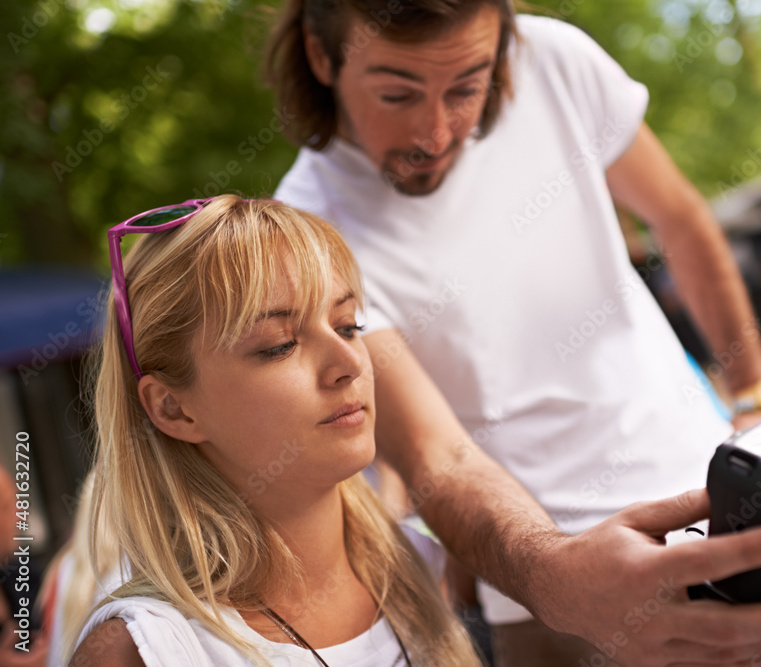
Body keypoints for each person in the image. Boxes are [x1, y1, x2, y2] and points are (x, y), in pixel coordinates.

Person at [265, 1, 761, 665]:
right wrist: (556, 576)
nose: (436, 130)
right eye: (396, 92)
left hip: (724, 500)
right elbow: (435, 459)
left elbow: (679, 218)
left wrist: (752, 391)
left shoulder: (555, 60)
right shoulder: (309, 232)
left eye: (467, 86)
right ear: (320, 54)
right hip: (547, 598)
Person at [69, 196, 482, 666]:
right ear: (173, 409)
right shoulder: (147, 651)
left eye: (348, 326)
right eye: (280, 346)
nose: (350, 364)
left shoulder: (424, 569)